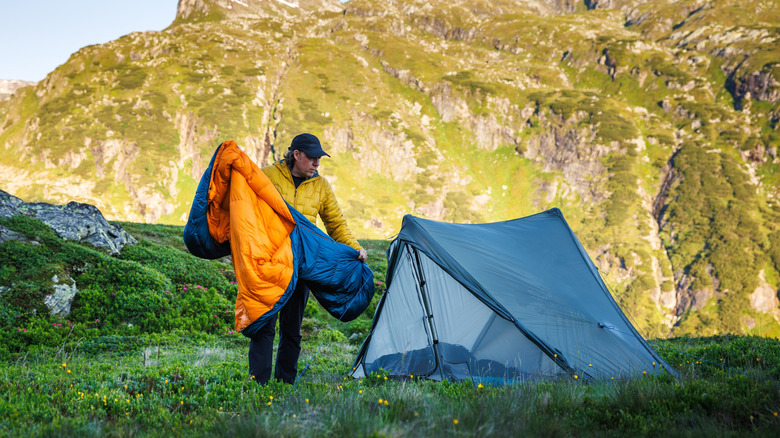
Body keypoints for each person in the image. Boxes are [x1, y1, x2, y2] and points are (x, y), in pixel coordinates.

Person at [248, 132, 367, 385]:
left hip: (301, 265)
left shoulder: (321, 186)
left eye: (319, 159)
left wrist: (354, 248)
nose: (316, 163)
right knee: (265, 324)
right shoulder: (267, 176)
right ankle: (258, 383)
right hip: (269, 263)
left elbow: (336, 223)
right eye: (312, 158)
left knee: (292, 328)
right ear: (296, 155)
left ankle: (283, 384)